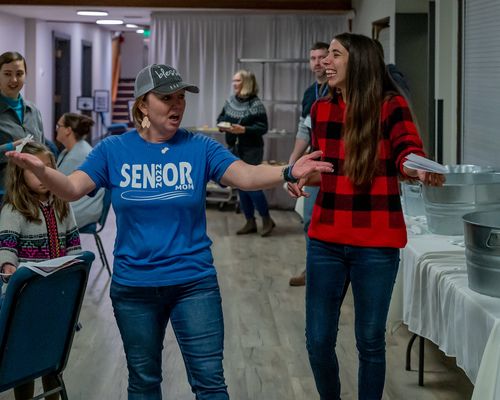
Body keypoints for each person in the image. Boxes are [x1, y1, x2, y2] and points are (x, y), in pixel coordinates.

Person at [6, 63, 333, 400]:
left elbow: (246, 175)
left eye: (181, 97)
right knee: (144, 382)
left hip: (193, 284)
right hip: (134, 287)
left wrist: (289, 171)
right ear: (143, 105)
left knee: (210, 384)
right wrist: (43, 171)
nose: (177, 105)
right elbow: (72, 188)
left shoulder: (200, 147)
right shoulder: (113, 149)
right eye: (166, 98)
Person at [287, 33, 445, 400]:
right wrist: (301, 176)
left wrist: (417, 168)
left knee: (370, 341)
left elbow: (407, 150)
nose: (325, 62)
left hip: (376, 243)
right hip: (326, 240)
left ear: (358, 61)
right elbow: (327, 166)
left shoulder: (390, 106)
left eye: (335, 55)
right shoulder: (321, 109)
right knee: (317, 341)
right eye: (326, 55)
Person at [0, 142, 81, 400]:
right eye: (34, 170)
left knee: (52, 359)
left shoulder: (62, 204)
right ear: (19, 174)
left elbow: (74, 245)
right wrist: (8, 266)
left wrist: (75, 272)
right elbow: (6, 247)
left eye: (46, 168)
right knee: (24, 363)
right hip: (27, 300)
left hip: (58, 297)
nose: (41, 174)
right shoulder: (13, 209)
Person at [288, 41, 329, 287]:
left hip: (336, 165)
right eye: (313, 58)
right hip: (314, 164)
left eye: (322, 57)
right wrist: (292, 162)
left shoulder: (339, 90)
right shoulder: (309, 93)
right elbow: (304, 129)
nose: (317, 63)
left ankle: (331, 271)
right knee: (310, 220)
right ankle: (313, 269)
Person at [217, 69, 275, 237]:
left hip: (252, 149)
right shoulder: (230, 101)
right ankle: (250, 221)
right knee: (240, 185)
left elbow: (263, 128)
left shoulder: (255, 104)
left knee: (252, 186)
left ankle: (267, 219)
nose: (234, 84)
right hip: (234, 148)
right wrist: (223, 126)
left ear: (247, 83)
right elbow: (220, 119)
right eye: (233, 81)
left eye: (237, 81)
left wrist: (244, 130)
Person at [0, 52, 45, 189]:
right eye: (7, 74)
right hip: (4, 191)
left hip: (32, 191)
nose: (14, 80)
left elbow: (42, 148)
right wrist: (11, 147)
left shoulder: (33, 110)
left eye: (19, 74)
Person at [55, 112, 105, 228]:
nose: (56, 129)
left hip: (79, 210)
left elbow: (57, 187)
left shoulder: (76, 156)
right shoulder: (71, 150)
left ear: (68, 130)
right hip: (82, 207)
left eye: (59, 126)